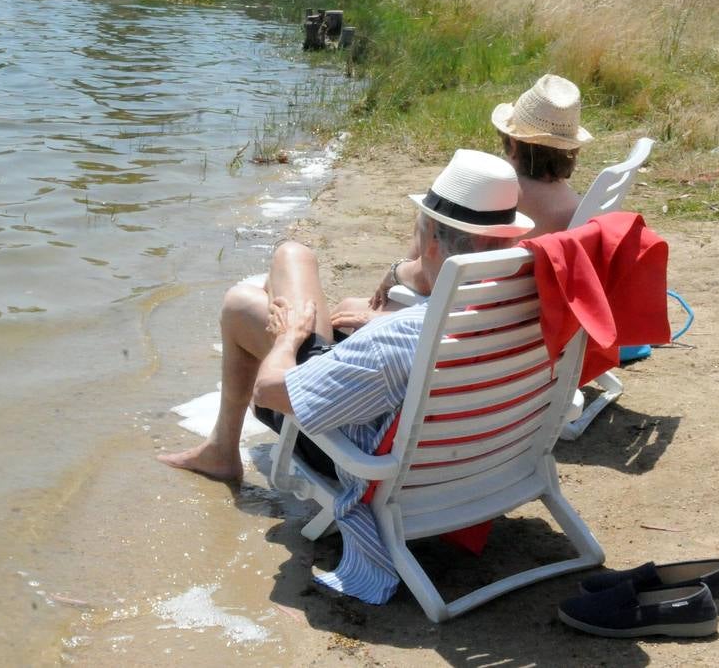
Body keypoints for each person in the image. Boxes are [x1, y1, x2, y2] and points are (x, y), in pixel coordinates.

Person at [158, 150, 533, 603]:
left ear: (431, 242)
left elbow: (273, 392)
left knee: (244, 303)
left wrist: (288, 340)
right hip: (478, 456)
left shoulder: (402, 336)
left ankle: (222, 450)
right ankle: (221, 447)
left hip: (368, 453)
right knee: (293, 255)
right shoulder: (533, 301)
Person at [364, 73, 593, 310]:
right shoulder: (579, 208)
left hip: (465, 318)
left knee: (348, 309)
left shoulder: (495, 196)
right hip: (528, 323)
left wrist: (394, 273)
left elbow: (426, 275)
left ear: (513, 142)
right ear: (570, 148)